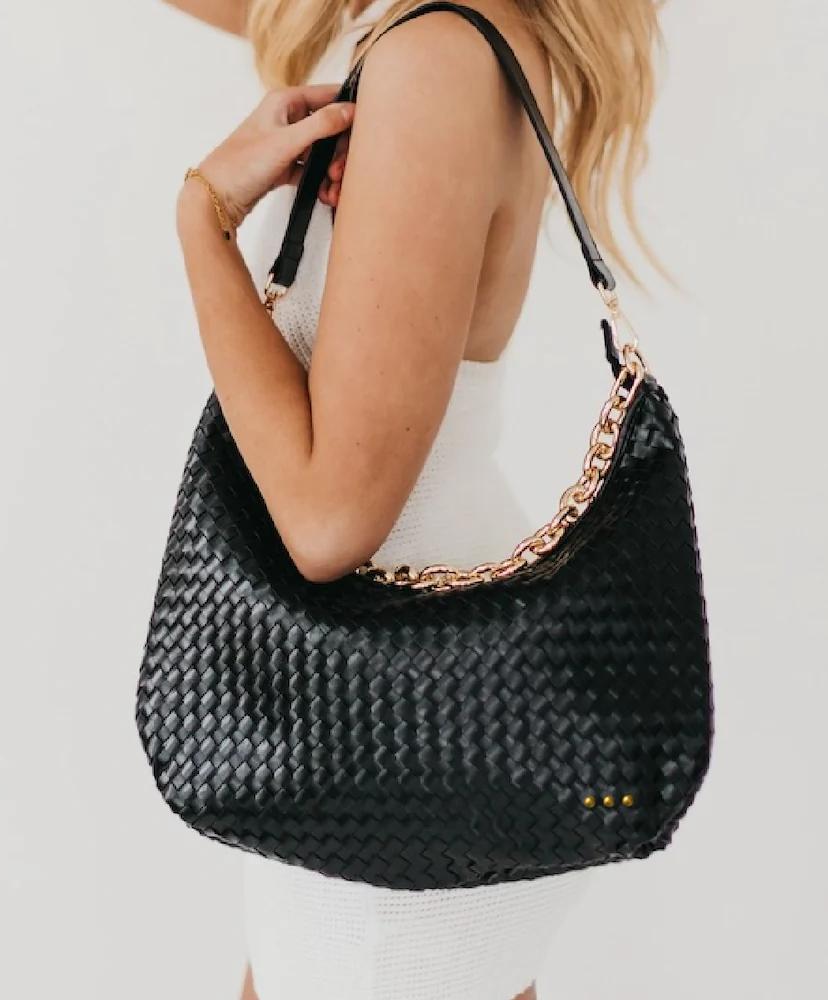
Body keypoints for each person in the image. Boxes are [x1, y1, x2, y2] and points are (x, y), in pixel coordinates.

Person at [163, 1, 664, 997]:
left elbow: (327, 524)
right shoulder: (388, 25)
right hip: (377, 718)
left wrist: (202, 221)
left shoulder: (434, 59)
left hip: (393, 738)